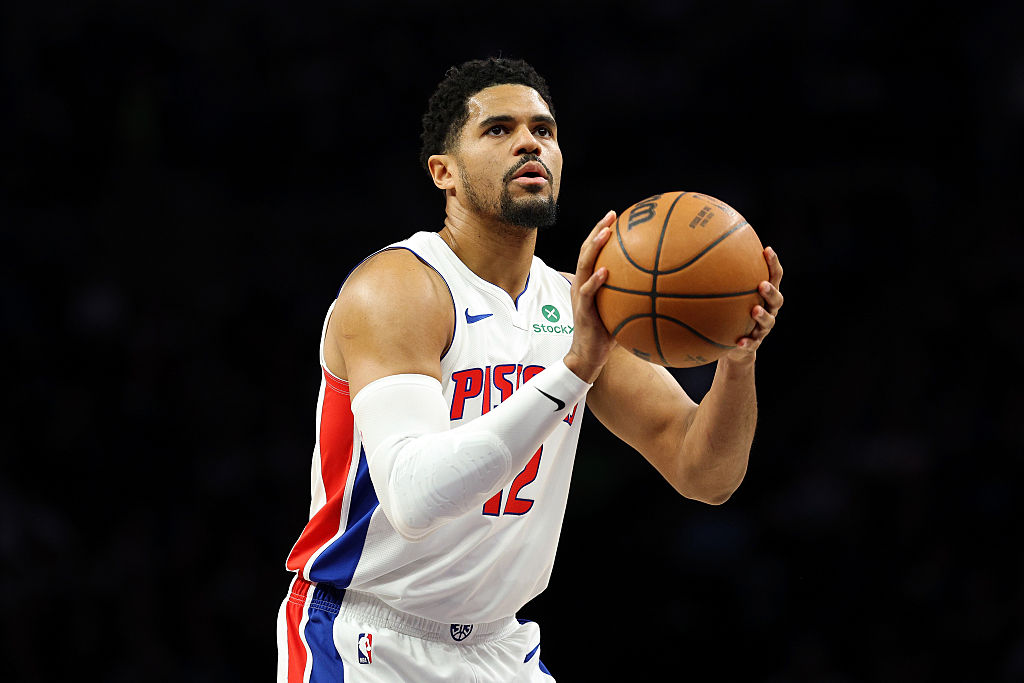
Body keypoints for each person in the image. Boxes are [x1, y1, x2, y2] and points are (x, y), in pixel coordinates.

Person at [276, 57, 784, 682]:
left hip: (500, 646)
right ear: (445, 173)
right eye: (498, 130)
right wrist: (573, 370)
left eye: (543, 130)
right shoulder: (400, 289)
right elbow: (411, 499)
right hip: (367, 637)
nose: (528, 142)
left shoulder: (579, 307)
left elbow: (705, 473)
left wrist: (738, 361)